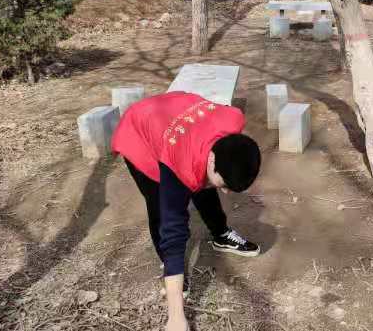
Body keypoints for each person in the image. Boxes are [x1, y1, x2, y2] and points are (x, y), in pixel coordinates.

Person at [112, 92, 262, 331]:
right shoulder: (176, 165)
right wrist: (176, 317)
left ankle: (220, 234)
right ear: (212, 158)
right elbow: (173, 233)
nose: (226, 193)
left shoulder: (234, 119)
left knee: (202, 183)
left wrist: (216, 181)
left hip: (176, 114)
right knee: (160, 205)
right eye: (225, 185)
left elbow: (212, 168)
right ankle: (172, 275)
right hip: (138, 131)